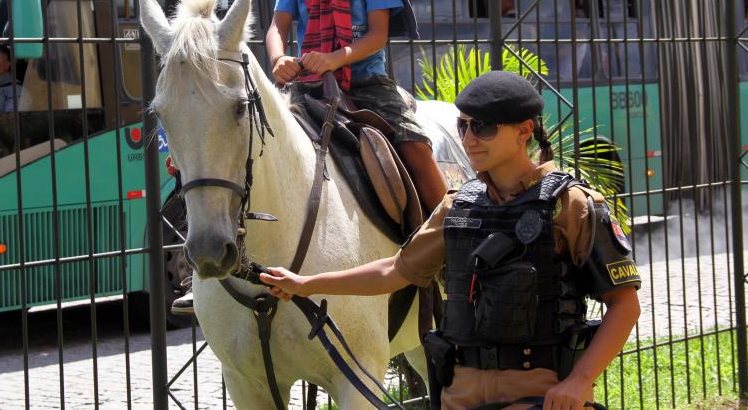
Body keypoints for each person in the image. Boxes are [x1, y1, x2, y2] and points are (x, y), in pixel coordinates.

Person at [260, 71, 642, 410]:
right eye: (463, 126)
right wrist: (306, 284)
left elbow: (625, 305)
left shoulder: (571, 205)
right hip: (461, 393)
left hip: (540, 391)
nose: (469, 139)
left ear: (524, 131)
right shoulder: (458, 205)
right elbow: (395, 271)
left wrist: (580, 380)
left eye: (483, 128)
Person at [264, 0, 448, 216]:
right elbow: (278, 25)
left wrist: (335, 58)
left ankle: (449, 228)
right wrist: (278, 59)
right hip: (310, 83)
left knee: (414, 146)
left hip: (366, 83)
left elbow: (378, 35)